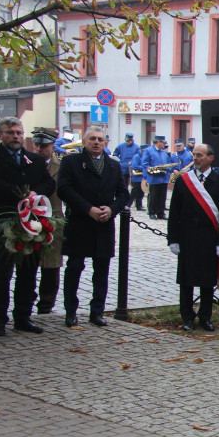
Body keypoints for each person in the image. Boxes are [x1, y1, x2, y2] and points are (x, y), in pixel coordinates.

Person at [57, 126, 128, 327]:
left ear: (105, 143)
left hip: (103, 225)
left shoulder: (113, 165)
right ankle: (70, 311)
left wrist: (112, 209)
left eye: (100, 139)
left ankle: (97, 311)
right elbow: (63, 189)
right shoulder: (71, 162)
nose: (96, 142)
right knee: (75, 267)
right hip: (79, 222)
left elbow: (123, 194)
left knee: (102, 270)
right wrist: (88, 209)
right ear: (84, 142)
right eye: (92, 139)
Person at [0, 117, 56, 336]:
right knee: (1, 274)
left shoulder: (35, 160)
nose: (15, 136)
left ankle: (23, 316)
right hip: (3, 222)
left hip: (31, 224)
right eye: (10, 132)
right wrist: (20, 194)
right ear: (0, 135)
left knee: (28, 272)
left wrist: (35, 194)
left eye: (19, 133)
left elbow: (49, 183)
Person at [166, 143, 219, 332]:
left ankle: (205, 316)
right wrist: (173, 239)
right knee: (186, 281)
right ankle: (187, 317)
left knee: (207, 281)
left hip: (209, 239)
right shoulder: (184, 181)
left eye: (200, 155)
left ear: (210, 158)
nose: (196, 158)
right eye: (194, 155)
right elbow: (174, 212)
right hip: (187, 238)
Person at [31, 128, 65, 315]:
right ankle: (27, 301)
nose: (38, 149)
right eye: (36, 145)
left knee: (51, 265)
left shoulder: (60, 167)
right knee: (27, 263)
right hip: (28, 220)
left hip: (53, 220)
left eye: (43, 146)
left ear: (52, 147)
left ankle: (46, 304)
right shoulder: (27, 164)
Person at [141, 135, 176, 219]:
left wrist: (170, 169)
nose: (164, 144)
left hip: (163, 177)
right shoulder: (149, 151)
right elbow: (145, 163)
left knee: (162, 196)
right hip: (154, 177)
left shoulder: (164, 152)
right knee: (154, 196)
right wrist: (151, 169)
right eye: (163, 142)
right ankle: (152, 212)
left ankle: (161, 212)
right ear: (158, 142)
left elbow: (168, 163)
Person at [129, 145, 148, 211]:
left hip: (143, 177)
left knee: (141, 192)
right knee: (135, 192)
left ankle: (139, 205)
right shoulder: (137, 156)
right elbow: (135, 166)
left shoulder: (145, 156)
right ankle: (128, 204)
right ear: (142, 150)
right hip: (137, 177)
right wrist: (144, 168)